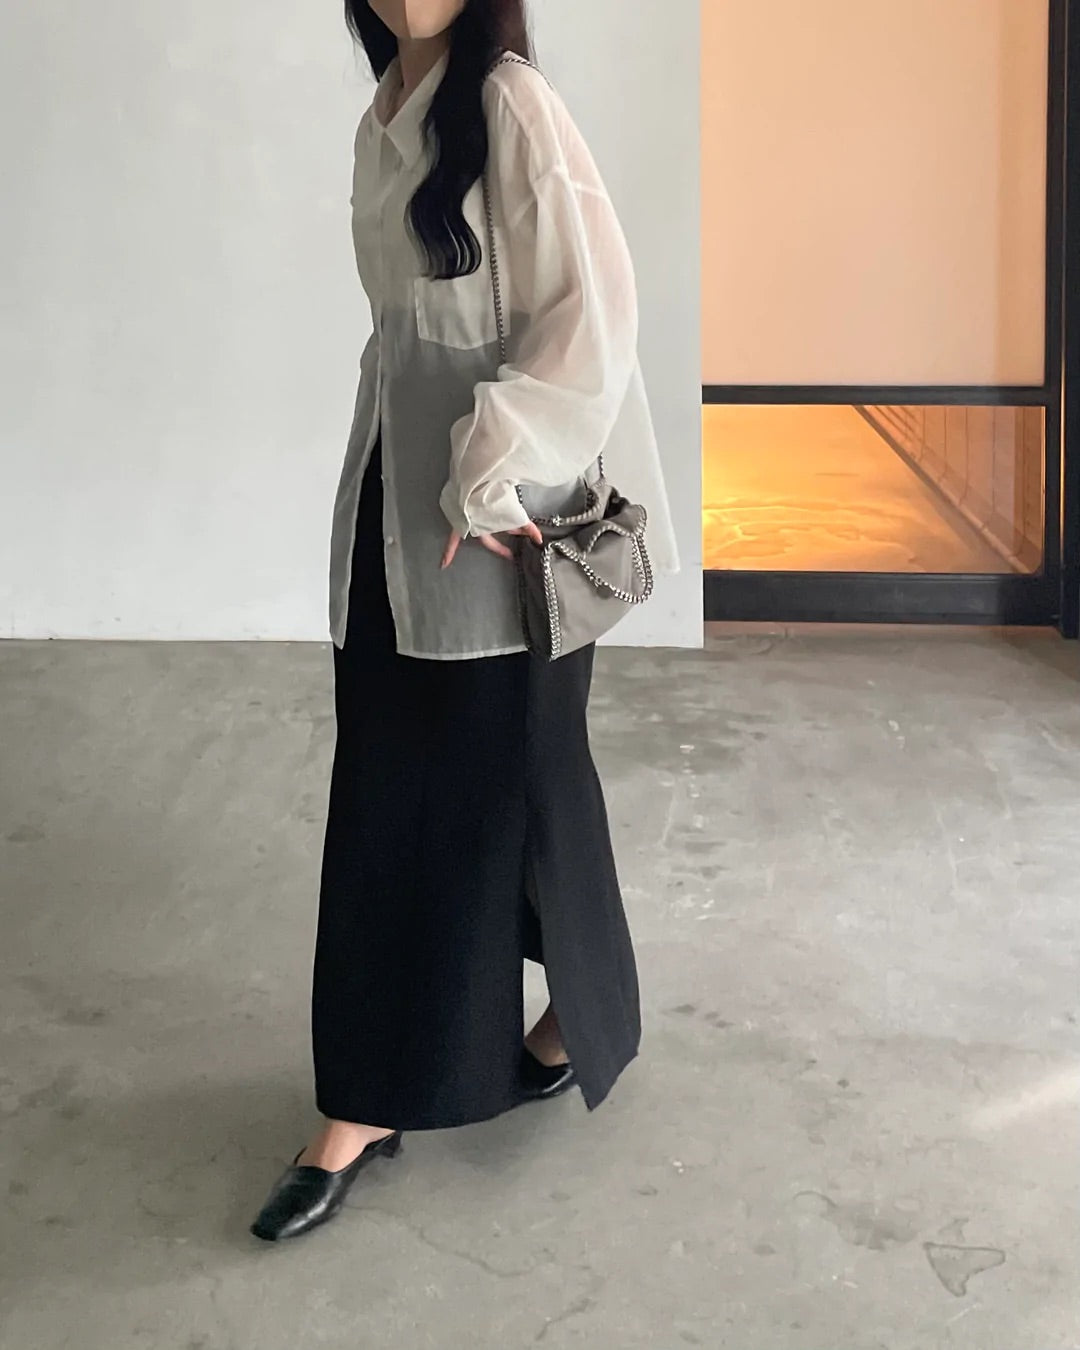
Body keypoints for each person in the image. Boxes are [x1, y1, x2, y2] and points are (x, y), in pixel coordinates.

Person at [250, 0, 677, 1242]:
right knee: (403, 783)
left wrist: (493, 469)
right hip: (400, 501)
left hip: (501, 517)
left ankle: (561, 1022)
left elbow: (592, 316)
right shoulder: (390, 114)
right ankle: (380, 1092)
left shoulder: (511, 104)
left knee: (516, 777)